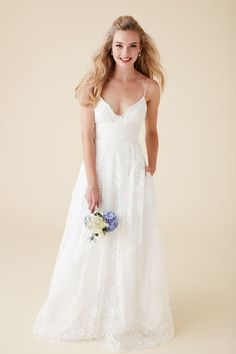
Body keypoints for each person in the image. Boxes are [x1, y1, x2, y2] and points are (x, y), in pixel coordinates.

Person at [32, 15, 175, 352]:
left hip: (131, 170)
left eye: (132, 46)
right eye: (119, 45)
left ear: (141, 49)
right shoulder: (92, 84)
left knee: (129, 236)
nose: (125, 52)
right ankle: (90, 306)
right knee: (93, 236)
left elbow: (152, 131)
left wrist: (152, 163)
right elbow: (87, 137)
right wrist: (93, 183)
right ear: (110, 48)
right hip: (99, 169)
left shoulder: (149, 87)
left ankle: (125, 310)